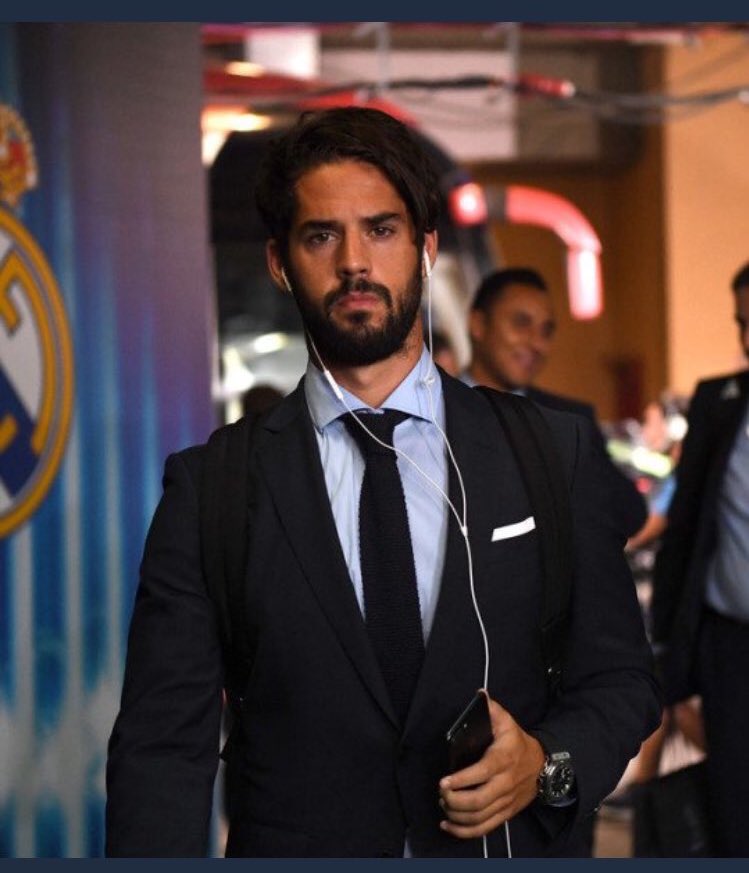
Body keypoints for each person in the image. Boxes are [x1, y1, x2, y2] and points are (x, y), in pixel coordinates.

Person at [105, 106, 660, 858]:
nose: (354, 263)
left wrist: (545, 764)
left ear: (426, 247)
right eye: (320, 235)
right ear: (279, 261)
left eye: (381, 229)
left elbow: (620, 680)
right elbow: (160, 750)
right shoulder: (213, 489)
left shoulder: (546, 451)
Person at [651, 260, 749, 856]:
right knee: (733, 809)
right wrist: (674, 674)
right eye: (743, 323)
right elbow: (683, 534)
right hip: (729, 650)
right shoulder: (719, 404)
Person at [464, 267, 647, 540]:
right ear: (478, 324)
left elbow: (628, 514)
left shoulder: (567, 420)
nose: (537, 343)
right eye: (521, 323)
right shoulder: (431, 408)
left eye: (546, 331)